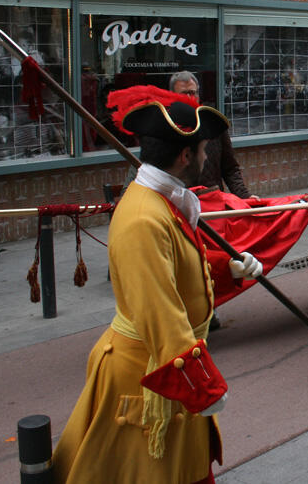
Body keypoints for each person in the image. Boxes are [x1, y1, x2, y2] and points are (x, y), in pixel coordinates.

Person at [54, 87, 261, 482]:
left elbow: (177, 269)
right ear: (186, 156)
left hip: (163, 363)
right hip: (147, 370)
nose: (205, 157)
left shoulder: (164, 201)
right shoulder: (144, 218)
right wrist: (202, 384)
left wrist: (225, 270)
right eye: (202, 150)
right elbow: (159, 309)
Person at [169, 72, 257, 200]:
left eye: (193, 93)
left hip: (213, 202)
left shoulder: (213, 123)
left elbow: (230, 168)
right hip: (179, 205)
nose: (190, 98)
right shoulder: (165, 127)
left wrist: (244, 196)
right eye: (184, 93)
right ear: (172, 96)